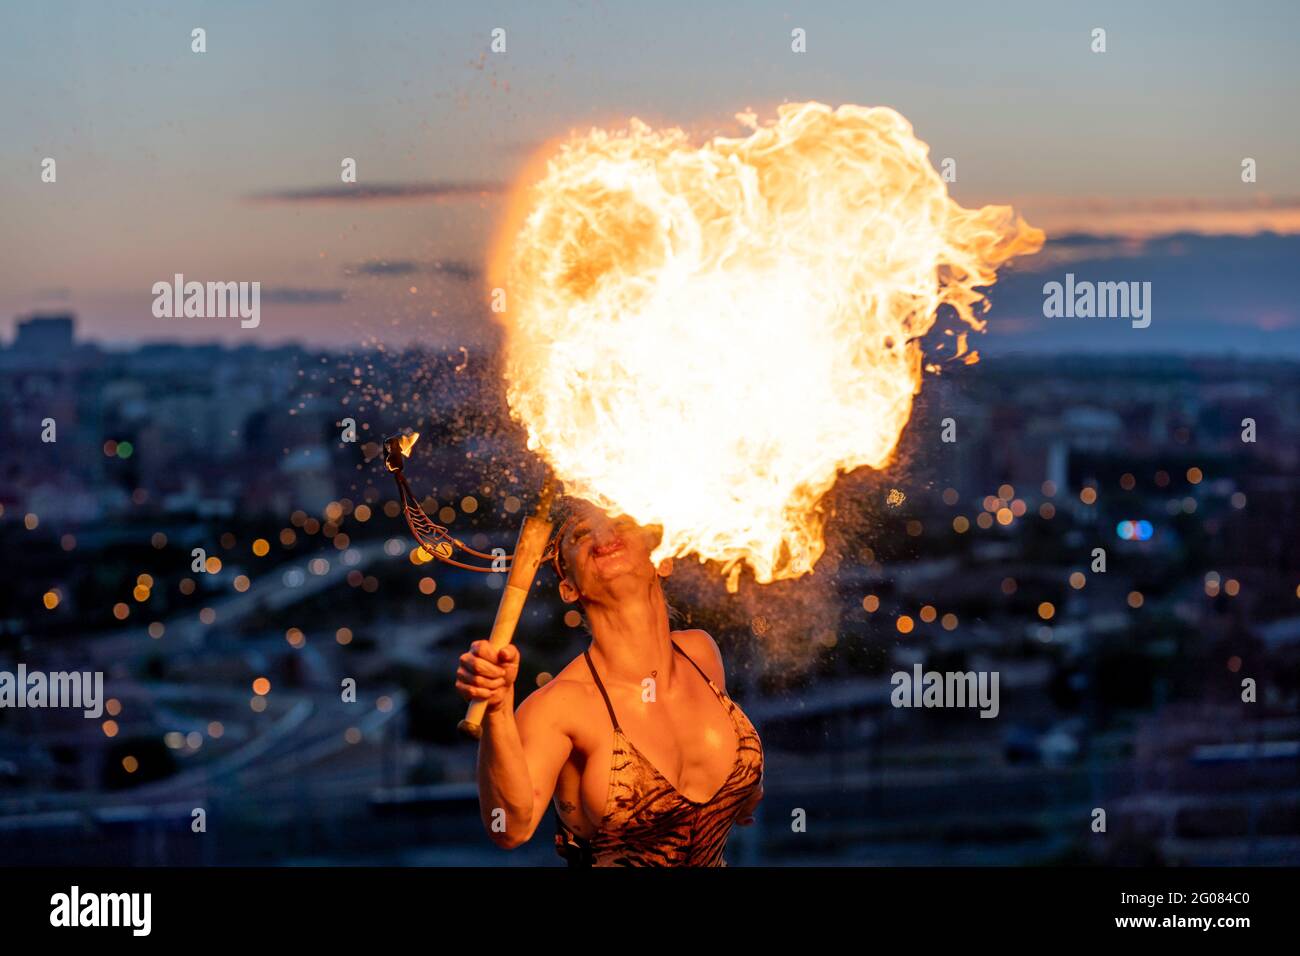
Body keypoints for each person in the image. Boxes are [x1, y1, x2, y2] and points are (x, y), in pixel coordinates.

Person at [454, 497, 764, 866]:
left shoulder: (700, 653)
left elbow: (731, 775)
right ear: (568, 587)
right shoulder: (558, 706)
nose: (604, 533)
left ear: (663, 560)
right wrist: (498, 709)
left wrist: (744, 790)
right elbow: (508, 828)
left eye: (622, 522)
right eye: (581, 533)